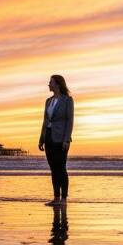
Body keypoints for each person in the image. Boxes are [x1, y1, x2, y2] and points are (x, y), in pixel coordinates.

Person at [38, 74, 74, 206]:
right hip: (48, 137)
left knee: (61, 168)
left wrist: (66, 140)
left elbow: (70, 121)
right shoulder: (48, 101)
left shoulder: (67, 100)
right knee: (53, 169)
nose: (49, 84)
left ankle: (64, 199)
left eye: (51, 82)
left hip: (61, 138)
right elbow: (45, 120)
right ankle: (56, 198)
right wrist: (41, 139)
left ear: (58, 84)